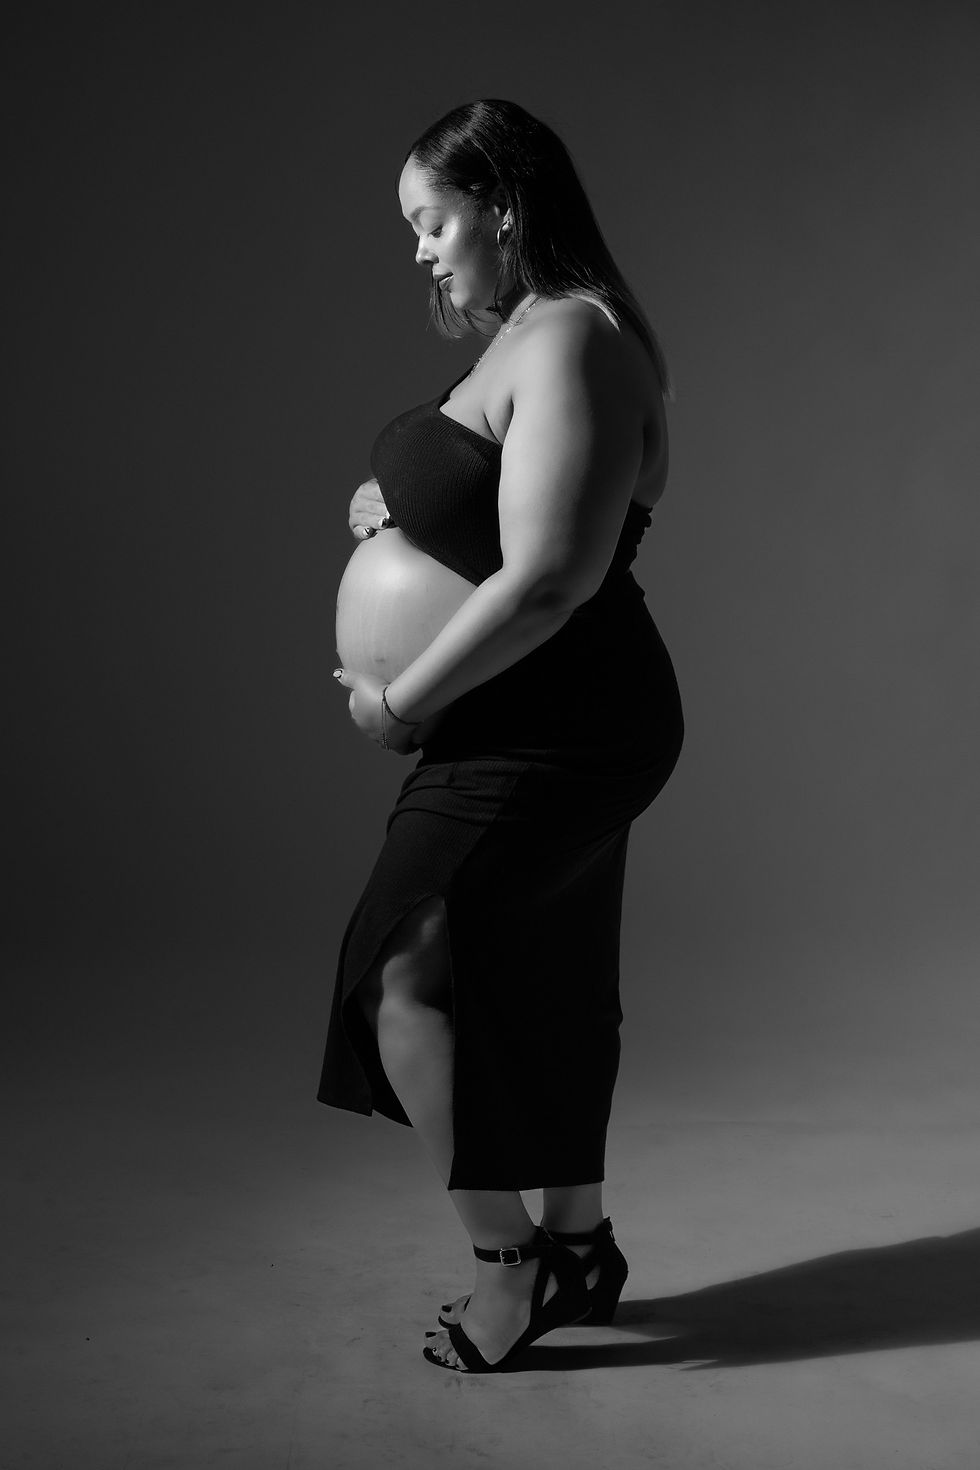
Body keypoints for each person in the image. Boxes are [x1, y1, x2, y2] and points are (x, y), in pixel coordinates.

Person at [321, 98, 684, 1373]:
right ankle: (578, 1247)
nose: (421, 250)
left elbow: (546, 581)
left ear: (504, 205)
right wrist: (397, 495)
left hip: (566, 721)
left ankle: (510, 1272)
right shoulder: (522, 336)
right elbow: (488, 488)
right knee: (549, 976)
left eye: (433, 221)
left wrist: (402, 702)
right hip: (540, 712)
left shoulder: (574, 341)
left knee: (401, 973)